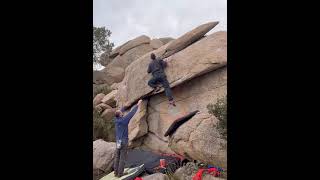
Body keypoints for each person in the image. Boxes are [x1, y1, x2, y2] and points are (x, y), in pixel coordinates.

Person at [113, 99, 142, 177]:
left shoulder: (116, 120)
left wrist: (125, 106)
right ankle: (120, 174)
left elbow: (120, 111)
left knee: (117, 157)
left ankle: (115, 172)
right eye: (121, 112)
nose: (122, 112)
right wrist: (138, 104)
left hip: (118, 141)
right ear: (120, 115)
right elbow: (131, 113)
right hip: (123, 141)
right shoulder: (124, 120)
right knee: (122, 157)